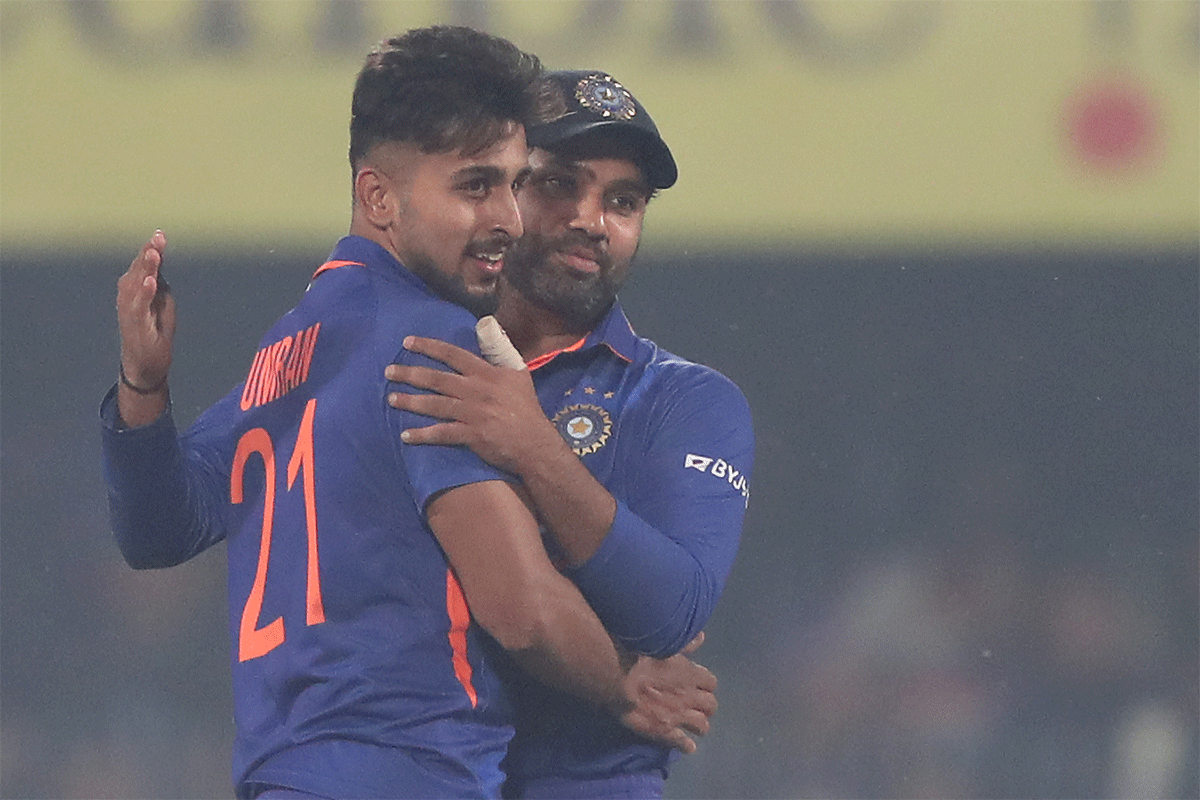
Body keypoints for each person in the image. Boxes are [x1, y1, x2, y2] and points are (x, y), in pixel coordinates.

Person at [101, 30, 709, 800]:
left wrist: (143, 389)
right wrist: (628, 683)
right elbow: (520, 608)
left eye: (515, 184)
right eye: (474, 187)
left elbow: (157, 527)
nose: (510, 220)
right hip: (410, 770)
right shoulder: (435, 341)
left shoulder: (288, 350)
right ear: (378, 197)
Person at [384, 69, 755, 799]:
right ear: (502, 193)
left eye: (624, 202)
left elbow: (671, 610)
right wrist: (141, 399)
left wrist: (533, 444)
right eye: (561, 186)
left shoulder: (686, 399)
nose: (593, 219)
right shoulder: (413, 357)